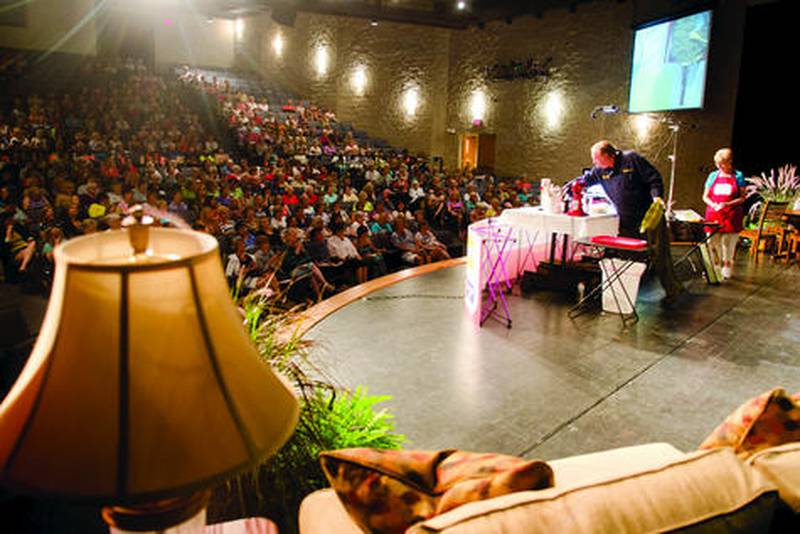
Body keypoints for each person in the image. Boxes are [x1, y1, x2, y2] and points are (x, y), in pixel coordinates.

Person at [584, 140, 684, 304]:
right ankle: (628, 293)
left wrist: (657, 197)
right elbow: (584, 179)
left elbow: (654, 178)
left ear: (609, 155)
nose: (594, 162)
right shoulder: (599, 170)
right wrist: (568, 186)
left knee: (660, 256)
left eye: (597, 158)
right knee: (628, 258)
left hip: (649, 217)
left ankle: (673, 291)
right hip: (626, 219)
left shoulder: (631, 159)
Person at [702, 148, 746, 280]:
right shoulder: (713, 176)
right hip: (713, 215)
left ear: (730, 162)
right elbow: (705, 196)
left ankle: (726, 268)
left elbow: (742, 197)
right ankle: (714, 270)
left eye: (722, 163)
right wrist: (713, 204)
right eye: (717, 164)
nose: (719, 166)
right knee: (712, 243)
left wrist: (727, 204)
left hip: (731, 215)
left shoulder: (738, 176)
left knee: (728, 244)